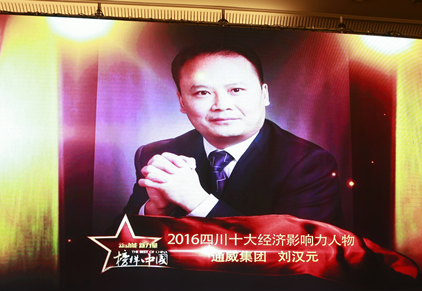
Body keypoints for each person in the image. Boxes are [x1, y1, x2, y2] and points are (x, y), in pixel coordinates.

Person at [122, 42, 344, 227]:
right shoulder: (158, 155)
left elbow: (299, 252)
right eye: (202, 92)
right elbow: (112, 248)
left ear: (264, 95)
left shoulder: (309, 163)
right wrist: (154, 210)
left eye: (236, 90)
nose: (221, 105)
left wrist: (196, 201)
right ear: (181, 101)